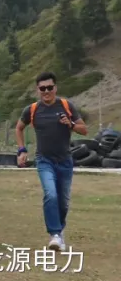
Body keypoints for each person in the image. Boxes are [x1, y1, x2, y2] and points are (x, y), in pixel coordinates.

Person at [16, 72, 87, 251]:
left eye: (49, 87)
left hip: (65, 160)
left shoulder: (66, 106)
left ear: (55, 88)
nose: (46, 91)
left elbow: (84, 130)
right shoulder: (32, 109)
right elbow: (19, 128)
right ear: (38, 90)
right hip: (44, 160)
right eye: (42, 88)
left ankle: (60, 231)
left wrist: (70, 124)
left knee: (63, 201)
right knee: (51, 194)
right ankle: (54, 234)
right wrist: (22, 150)